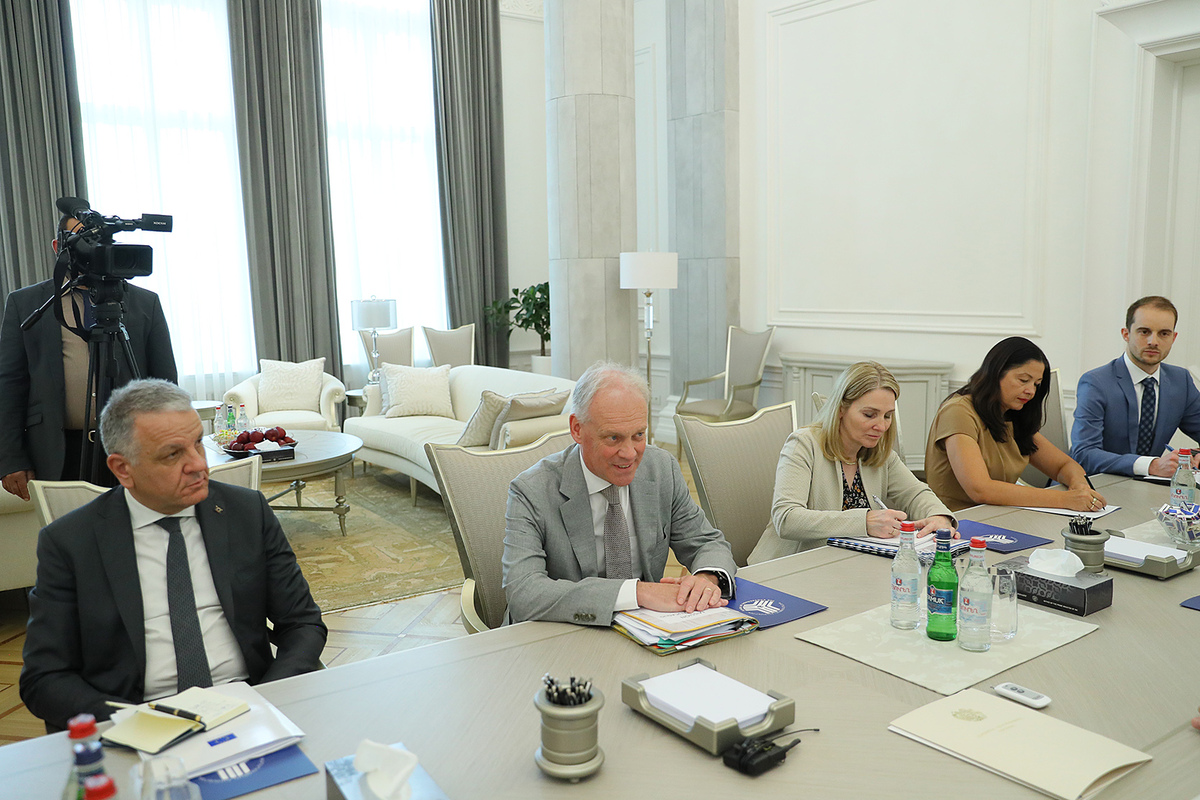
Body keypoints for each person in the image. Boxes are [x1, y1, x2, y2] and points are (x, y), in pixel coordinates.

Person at [20, 379, 325, 731]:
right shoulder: (70, 542)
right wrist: (134, 723)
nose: (198, 464)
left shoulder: (246, 512)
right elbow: (44, 677)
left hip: (248, 708)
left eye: (198, 443)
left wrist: (267, 701)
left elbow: (302, 624)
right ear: (123, 469)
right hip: (136, 722)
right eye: (172, 454)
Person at [503, 361, 737, 626]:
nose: (629, 453)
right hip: (562, 632)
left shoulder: (661, 469)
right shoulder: (531, 491)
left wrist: (706, 579)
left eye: (638, 435)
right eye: (613, 438)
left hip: (647, 632)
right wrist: (637, 593)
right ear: (577, 429)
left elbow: (707, 543)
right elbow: (524, 594)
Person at [0, 214, 177, 500]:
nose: (90, 248)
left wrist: (171, 446)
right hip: (57, 451)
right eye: (82, 239)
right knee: (70, 528)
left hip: (132, 446)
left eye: (97, 240)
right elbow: (8, 385)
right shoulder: (26, 303)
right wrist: (10, 458)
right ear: (58, 246)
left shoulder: (145, 303)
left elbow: (165, 384)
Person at [748, 362, 956, 564]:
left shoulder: (880, 453)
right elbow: (787, 519)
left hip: (848, 566)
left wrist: (939, 517)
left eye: (887, 416)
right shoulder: (803, 444)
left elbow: (916, 494)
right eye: (869, 415)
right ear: (841, 409)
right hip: (790, 569)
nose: (881, 426)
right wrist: (865, 521)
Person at [925, 337, 1106, 513]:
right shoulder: (958, 411)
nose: (1031, 391)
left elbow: (1063, 465)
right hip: (956, 520)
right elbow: (980, 489)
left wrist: (1080, 487)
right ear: (996, 373)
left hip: (1000, 516)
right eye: (1023, 380)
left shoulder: (1011, 414)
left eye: (1036, 384)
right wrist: (1066, 500)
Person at [1070, 296, 1200, 477]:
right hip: (1092, 484)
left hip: (1146, 488)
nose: (1153, 341)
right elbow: (1083, 453)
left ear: (1173, 337)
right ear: (1126, 334)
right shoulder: (1096, 382)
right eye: (1144, 332)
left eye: (1164, 333)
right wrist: (1151, 465)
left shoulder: (1181, 380)